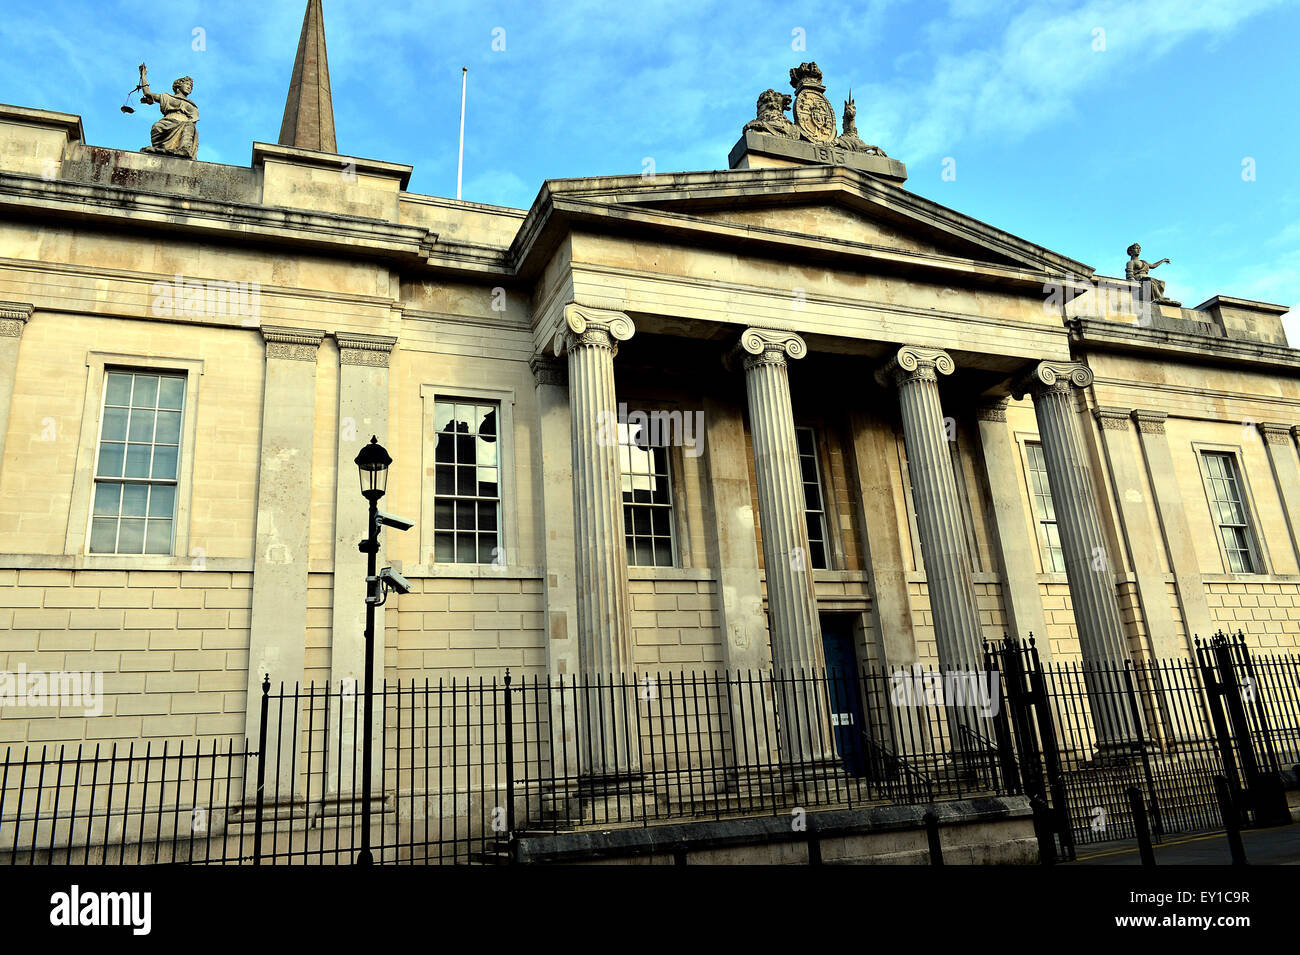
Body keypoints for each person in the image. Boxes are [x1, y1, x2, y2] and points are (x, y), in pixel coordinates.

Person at [140, 73, 198, 159]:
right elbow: (147, 93)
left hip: (184, 126)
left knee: (190, 126)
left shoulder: (192, 105)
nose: (189, 87)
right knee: (157, 126)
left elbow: (193, 119)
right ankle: (161, 149)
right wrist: (143, 76)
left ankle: (183, 150)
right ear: (178, 85)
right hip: (166, 123)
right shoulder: (167, 97)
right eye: (187, 84)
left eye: (191, 86)